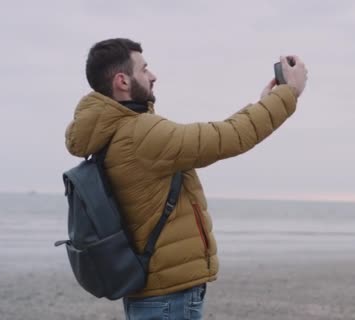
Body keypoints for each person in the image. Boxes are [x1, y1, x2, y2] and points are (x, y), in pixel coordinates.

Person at [64, 38, 308, 320]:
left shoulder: (114, 131)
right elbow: (227, 138)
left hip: (155, 294)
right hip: (167, 298)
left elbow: (220, 133)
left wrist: (265, 103)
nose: (153, 76)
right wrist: (287, 94)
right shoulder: (140, 133)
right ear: (122, 81)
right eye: (144, 69)